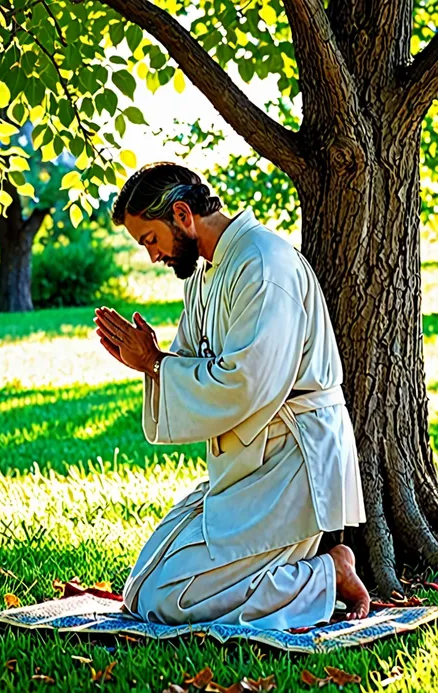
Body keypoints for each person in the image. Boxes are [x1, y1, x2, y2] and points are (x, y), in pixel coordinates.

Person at [93, 161, 369, 630]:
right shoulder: (205, 276)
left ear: (182, 214)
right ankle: (310, 572)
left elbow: (247, 384)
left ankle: (328, 573)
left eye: (150, 240)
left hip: (290, 463)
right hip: (247, 466)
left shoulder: (262, 263)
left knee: (167, 599)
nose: (152, 256)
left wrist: (158, 364)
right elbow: (185, 361)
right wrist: (150, 362)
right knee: (142, 585)